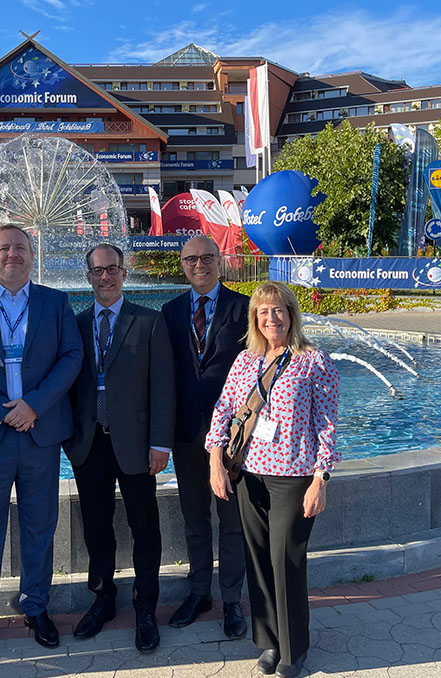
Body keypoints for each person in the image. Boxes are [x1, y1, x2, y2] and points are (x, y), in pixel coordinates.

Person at [0, 224, 83, 658]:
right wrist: (1, 409)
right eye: (3, 248)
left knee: (39, 526)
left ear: (31, 254)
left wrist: (34, 405)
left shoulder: (56, 302)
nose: (12, 255)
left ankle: (35, 606)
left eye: (20, 248)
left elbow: (71, 356)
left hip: (40, 432)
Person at [205, 281, 339, 678]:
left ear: (291, 315)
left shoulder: (313, 361)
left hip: (294, 476)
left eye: (278, 310)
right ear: (255, 319)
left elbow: (327, 424)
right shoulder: (246, 360)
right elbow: (224, 409)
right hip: (248, 474)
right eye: (263, 312)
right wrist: (215, 459)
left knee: (286, 560)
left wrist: (321, 478)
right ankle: (269, 641)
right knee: (259, 560)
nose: (271, 318)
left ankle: (294, 648)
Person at [64, 243, 175, 653]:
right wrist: (68, 439)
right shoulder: (74, 325)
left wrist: (160, 443)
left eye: (112, 269)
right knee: (97, 527)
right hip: (89, 444)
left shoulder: (149, 321)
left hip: (136, 445)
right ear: (88, 277)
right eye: (98, 271)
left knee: (145, 528)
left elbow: (164, 387)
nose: (106, 277)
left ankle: (146, 607)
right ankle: (103, 598)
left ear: (124, 273)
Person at [160, 235, 249, 637]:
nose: (200, 265)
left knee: (232, 521)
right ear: (182, 264)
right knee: (194, 517)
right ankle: (200, 592)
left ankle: (232, 600)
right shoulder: (170, 311)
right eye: (191, 259)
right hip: (185, 433)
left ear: (220, 261)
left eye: (207, 258)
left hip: (232, 439)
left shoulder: (244, 308)